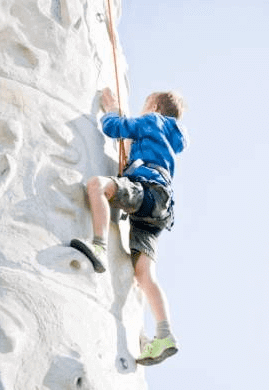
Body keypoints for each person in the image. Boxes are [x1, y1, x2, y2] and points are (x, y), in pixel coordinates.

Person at [71, 87, 188, 366]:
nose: (143, 108)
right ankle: (164, 333)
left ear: (156, 107)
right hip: (160, 208)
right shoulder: (170, 141)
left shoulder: (153, 121)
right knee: (144, 274)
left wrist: (111, 109)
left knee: (97, 185)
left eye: (146, 103)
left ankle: (98, 246)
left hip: (146, 189)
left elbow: (115, 127)